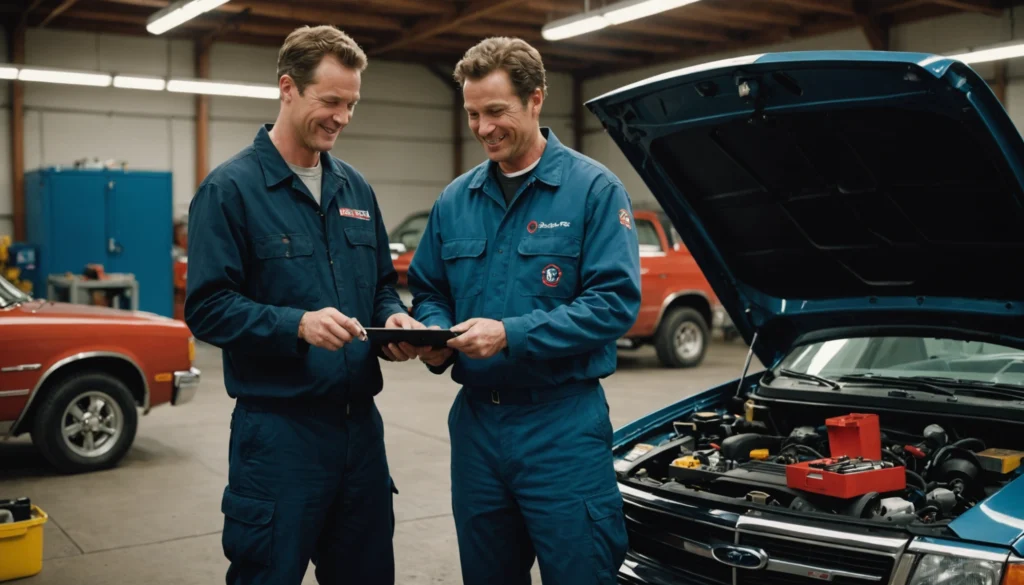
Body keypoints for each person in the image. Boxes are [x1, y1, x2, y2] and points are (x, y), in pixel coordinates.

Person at [185, 25, 425, 585]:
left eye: (351, 104)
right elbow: (208, 308)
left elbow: (382, 285)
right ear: (288, 88)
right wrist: (296, 325)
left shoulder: (355, 189)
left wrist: (392, 317)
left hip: (360, 435)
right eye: (331, 101)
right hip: (278, 438)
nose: (342, 116)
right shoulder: (230, 191)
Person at [407, 37, 642, 585]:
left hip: (561, 424)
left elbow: (613, 304)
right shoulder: (455, 201)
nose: (483, 128)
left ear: (536, 99)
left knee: (581, 570)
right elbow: (429, 288)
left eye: (496, 112)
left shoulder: (593, 191)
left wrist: (509, 334)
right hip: (477, 427)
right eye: (472, 114)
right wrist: (433, 337)